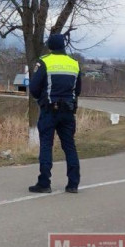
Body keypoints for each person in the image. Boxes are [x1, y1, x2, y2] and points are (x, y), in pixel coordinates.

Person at [28, 33, 81, 194]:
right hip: (68, 112)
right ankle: (73, 184)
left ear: (50, 46)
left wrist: (42, 99)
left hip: (49, 110)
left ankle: (44, 183)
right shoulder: (74, 64)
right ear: (63, 45)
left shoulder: (44, 61)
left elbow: (35, 88)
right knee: (69, 146)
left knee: (46, 146)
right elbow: (78, 90)